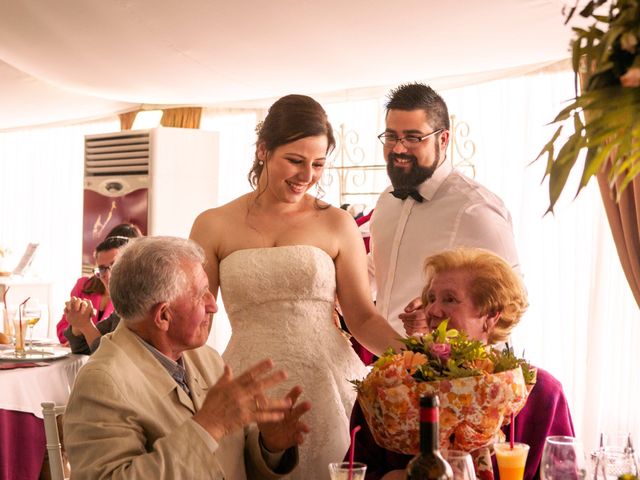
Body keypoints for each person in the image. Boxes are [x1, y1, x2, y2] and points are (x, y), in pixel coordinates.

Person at [190, 94, 403, 479]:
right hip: (247, 379)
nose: (307, 175)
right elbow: (196, 320)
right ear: (262, 151)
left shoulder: (337, 224)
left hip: (325, 381)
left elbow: (362, 318)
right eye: (295, 160)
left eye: (318, 164)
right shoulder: (213, 224)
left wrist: (415, 356)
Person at [63, 236, 310, 479]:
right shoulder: (102, 382)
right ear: (163, 316)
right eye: (201, 294)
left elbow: (229, 465)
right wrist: (207, 426)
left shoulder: (206, 358)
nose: (213, 305)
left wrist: (269, 448)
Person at [349, 248, 574, 480]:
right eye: (431, 299)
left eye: (449, 299)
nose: (433, 310)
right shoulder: (390, 385)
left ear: (490, 316)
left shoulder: (541, 393)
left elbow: (562, 475)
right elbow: (352, 472)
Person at [370, 82, 520, 335]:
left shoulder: (476, 209)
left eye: (413, 138)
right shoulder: (386, 201)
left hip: (450, 369)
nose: (398, 148)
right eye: (392, 136)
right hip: (388, 359)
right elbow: (377, 266)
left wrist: (439, 315)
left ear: (443, 139)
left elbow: (512, 298)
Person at [55, 235, 131, 343]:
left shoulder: (137, 305)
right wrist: (78, 325)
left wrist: (84, 325)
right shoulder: (117, 310)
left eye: (115, 266)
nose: (108, 276)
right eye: (103, 269)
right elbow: (80, 346)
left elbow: (107, 353)